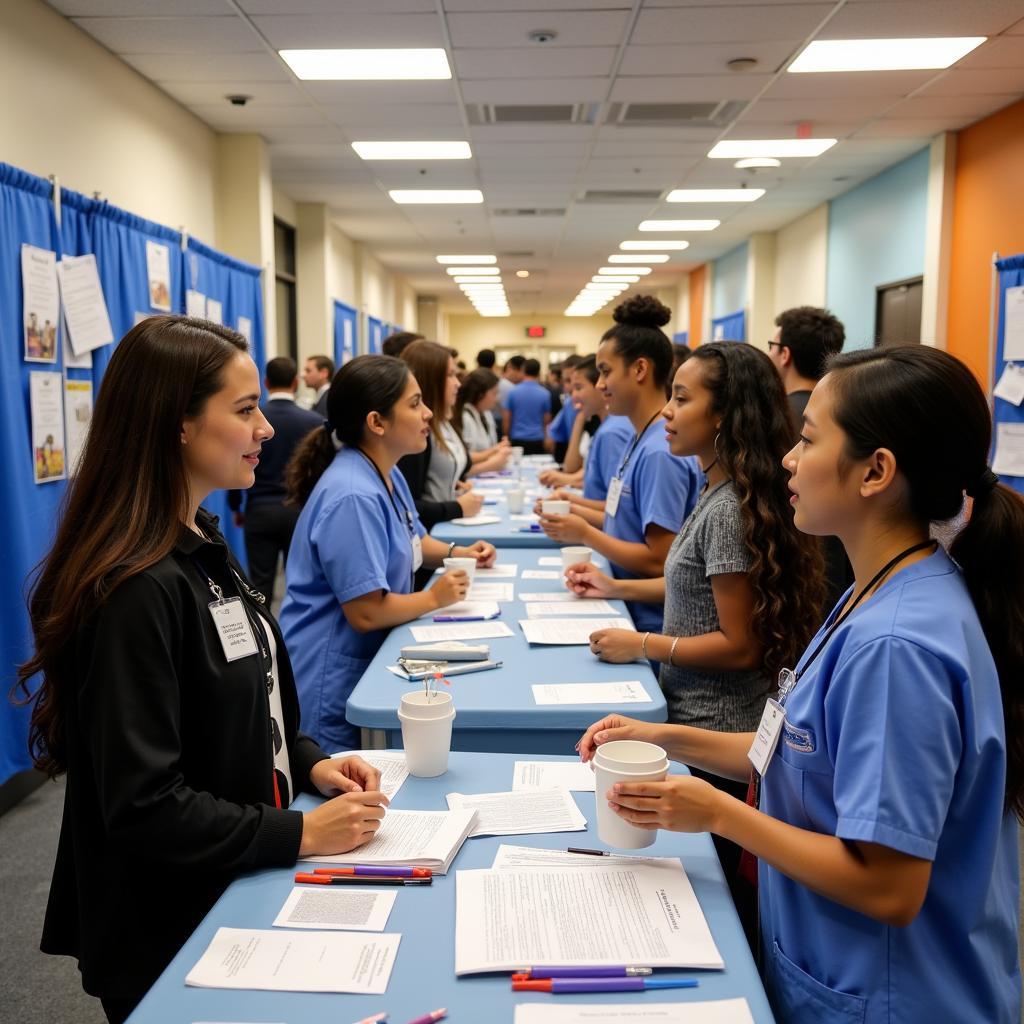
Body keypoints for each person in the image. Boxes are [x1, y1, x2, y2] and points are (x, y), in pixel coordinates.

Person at [577, 344, 1024, 1024]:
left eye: (809, 439)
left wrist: (721, 814)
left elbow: (889, 886)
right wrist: (661, 735)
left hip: (892, 995)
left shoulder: (898, 645)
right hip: (834, 967)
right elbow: (788, 748)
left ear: (875, 471)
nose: (788, 456)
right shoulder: (874, 592)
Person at [18, 317, 386, 1024]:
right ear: (177, 425)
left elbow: (242, 700)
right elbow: (143, 803)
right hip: (167, 929)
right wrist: (302, 834)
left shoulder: (201, 540)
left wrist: (307, 762)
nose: (268, 429)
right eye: (244, 411)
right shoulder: (136, 587)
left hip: (229, 883)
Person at [566, 343, 825, 932]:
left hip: (717, 729)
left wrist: (646, 645)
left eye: (682, 399)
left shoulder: (730, 508)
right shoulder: (716, 491)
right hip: (697, 717)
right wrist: (617, 588)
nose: (667, 413)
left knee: (716, 906)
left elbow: (741, 644)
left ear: (725, 415)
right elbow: (694, 591)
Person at [280, 354, 496, 752]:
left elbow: (411, 539)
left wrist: (456, 550)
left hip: (368, 659)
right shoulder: (352, 495)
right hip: (333, 672)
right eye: (415, 404)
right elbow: (366, 612)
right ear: (377, 422)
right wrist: (434, 597)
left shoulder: (385, 470)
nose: (428, 412)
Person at [537, 296, 701, 634]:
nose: (599, 386)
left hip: (649, 622)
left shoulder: (660, 452)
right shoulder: (637, 438)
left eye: (605, 373)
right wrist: (574, 512)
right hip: (621, 602)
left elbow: (660, 560)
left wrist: (585, 533)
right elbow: (622, 518)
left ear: (640, 369)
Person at [769, 305, 852, 609]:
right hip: (840, 573)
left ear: (785, 354)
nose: (791, 460)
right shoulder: (843, 418)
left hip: (794, 577)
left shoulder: (773, 421)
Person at [227, 356, 322, 601]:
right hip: (298, 512)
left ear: (266, 382)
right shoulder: (313, 422)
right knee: (301, 582)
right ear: (295, 382)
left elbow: (234, 461)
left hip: (259, 510)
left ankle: (262, 636)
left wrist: (237, 507)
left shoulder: (249, 420)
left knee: (259, 584)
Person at [396, 340, 501, 533]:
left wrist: (452, 488)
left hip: (444, 528)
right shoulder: (418, 431)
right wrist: (456, 507)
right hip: (428, 536)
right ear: (431, 380)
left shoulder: (443, 422)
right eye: (451, 375)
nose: (458, 383)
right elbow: (405, 505)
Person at [767, 306, 844, 431]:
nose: (769, 354)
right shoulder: (844, 414)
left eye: (771, 346)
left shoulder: (771, 417)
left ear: (785, 355)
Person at [503, 357, 551, 455]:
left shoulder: (513, 392)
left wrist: (506, 437)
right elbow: (546, 420)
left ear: (523, 370)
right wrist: (547, 438)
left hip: (517, 439)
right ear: (538, 372)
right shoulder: (545, 393)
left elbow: (507, 418)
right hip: (537, 438)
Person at [455, 368, 505, 454]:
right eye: (494, 393)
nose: (496, 399)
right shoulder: (465, 417)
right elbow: (467, 457)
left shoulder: (486, 413)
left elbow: (491, 444)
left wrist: (500, 447)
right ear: (480, 394)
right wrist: (495, 450)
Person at [546, 354, 581, 463]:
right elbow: (552, 439)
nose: (567, 387)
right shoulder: (568, 403)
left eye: (571, 381)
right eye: (565, 381)